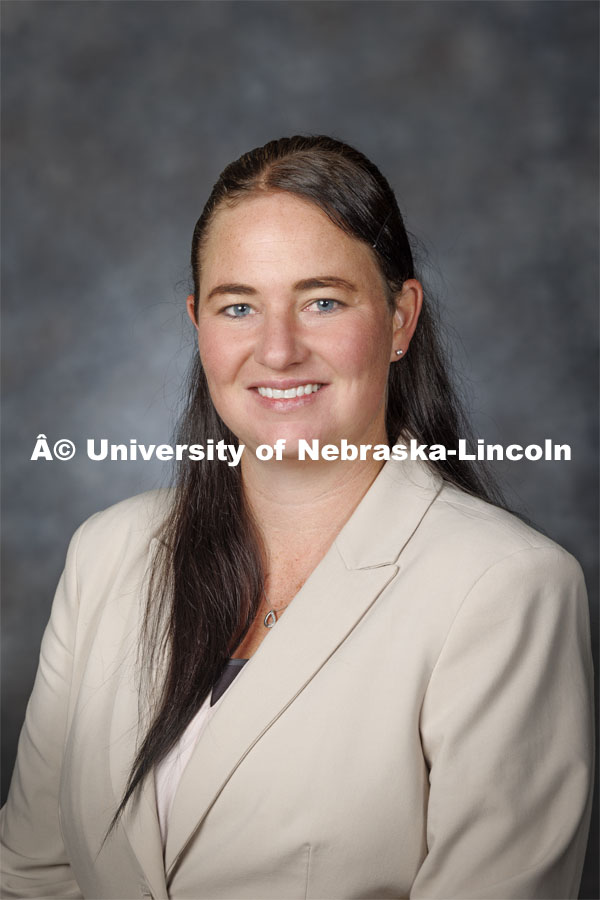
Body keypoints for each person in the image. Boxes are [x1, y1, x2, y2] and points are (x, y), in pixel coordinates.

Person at [0, 135, 594, 900]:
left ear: (400, 319)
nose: (277, 351)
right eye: (239, 305)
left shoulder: (507, 590)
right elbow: (32, 875)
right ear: (199, 324)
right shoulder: (107, 555)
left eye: (322, 300)